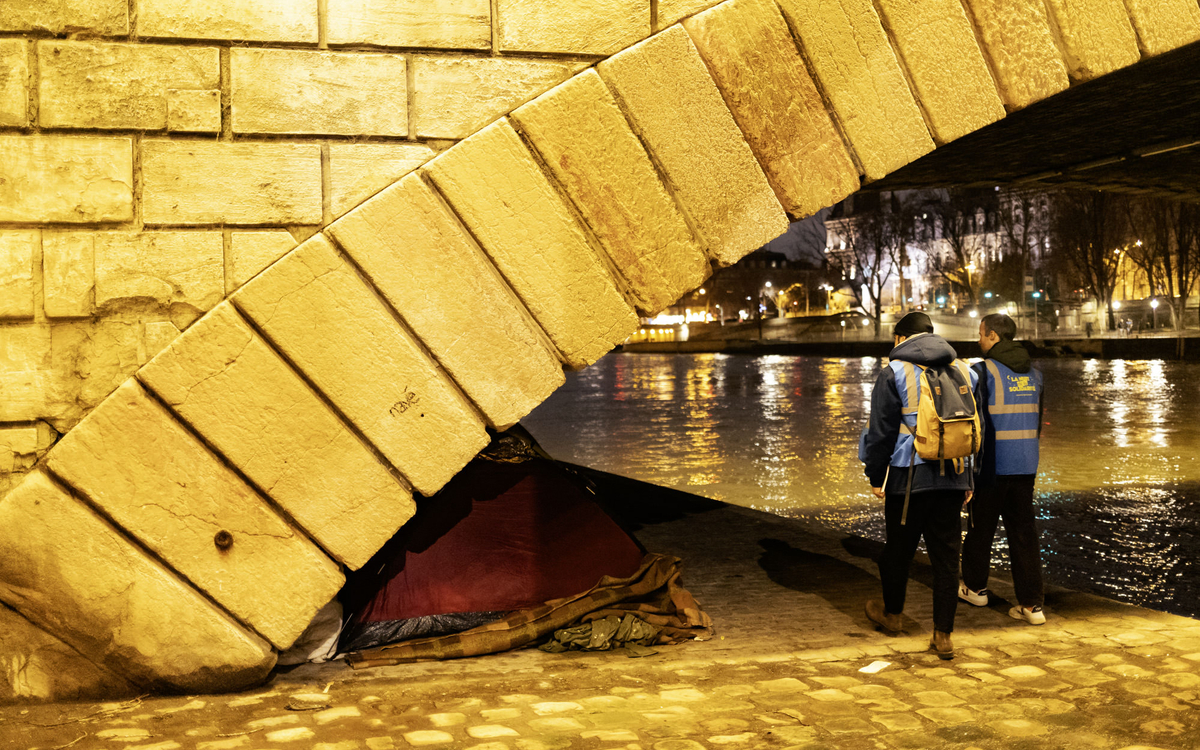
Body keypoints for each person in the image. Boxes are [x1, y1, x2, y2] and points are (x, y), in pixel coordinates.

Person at [860, 312, 977, 659]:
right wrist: (970, 478)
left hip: (908, 477)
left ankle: (893, 615)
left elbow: (880, 432)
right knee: (946, 559)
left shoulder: (894, 372)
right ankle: (943, 635)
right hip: (954, 474)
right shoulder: (966, 370)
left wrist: (875, 475)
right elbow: (976, 428)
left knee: (896, 553)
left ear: (900, 339)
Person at [959, 314, 1046, 624]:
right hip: (1026, 464)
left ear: (993, 336)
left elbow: (973, 425)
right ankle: (1032, 605)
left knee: (980, 529)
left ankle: (974, 588)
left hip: (992, 465)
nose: (979, 340)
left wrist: (966, 468)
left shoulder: (981, 372)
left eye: (981, 334)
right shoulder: (1035, 375)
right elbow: (1036, 423)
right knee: (1024, 534)